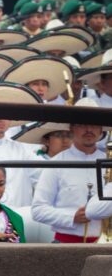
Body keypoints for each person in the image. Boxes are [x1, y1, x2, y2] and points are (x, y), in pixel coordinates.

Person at [32, 98, 106, 243]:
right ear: (72, 127)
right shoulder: (56, 163)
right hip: (65, 244)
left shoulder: (108, 162)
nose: (89, 129)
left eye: (94, 124)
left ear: (101, 129)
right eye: (82, 124)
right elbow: (38, 210)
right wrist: (72, 217)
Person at [0, 118, 41, 208]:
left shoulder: (22, 149)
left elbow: (46, 175)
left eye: (5, 115)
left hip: (20, 217)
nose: (1, 120)